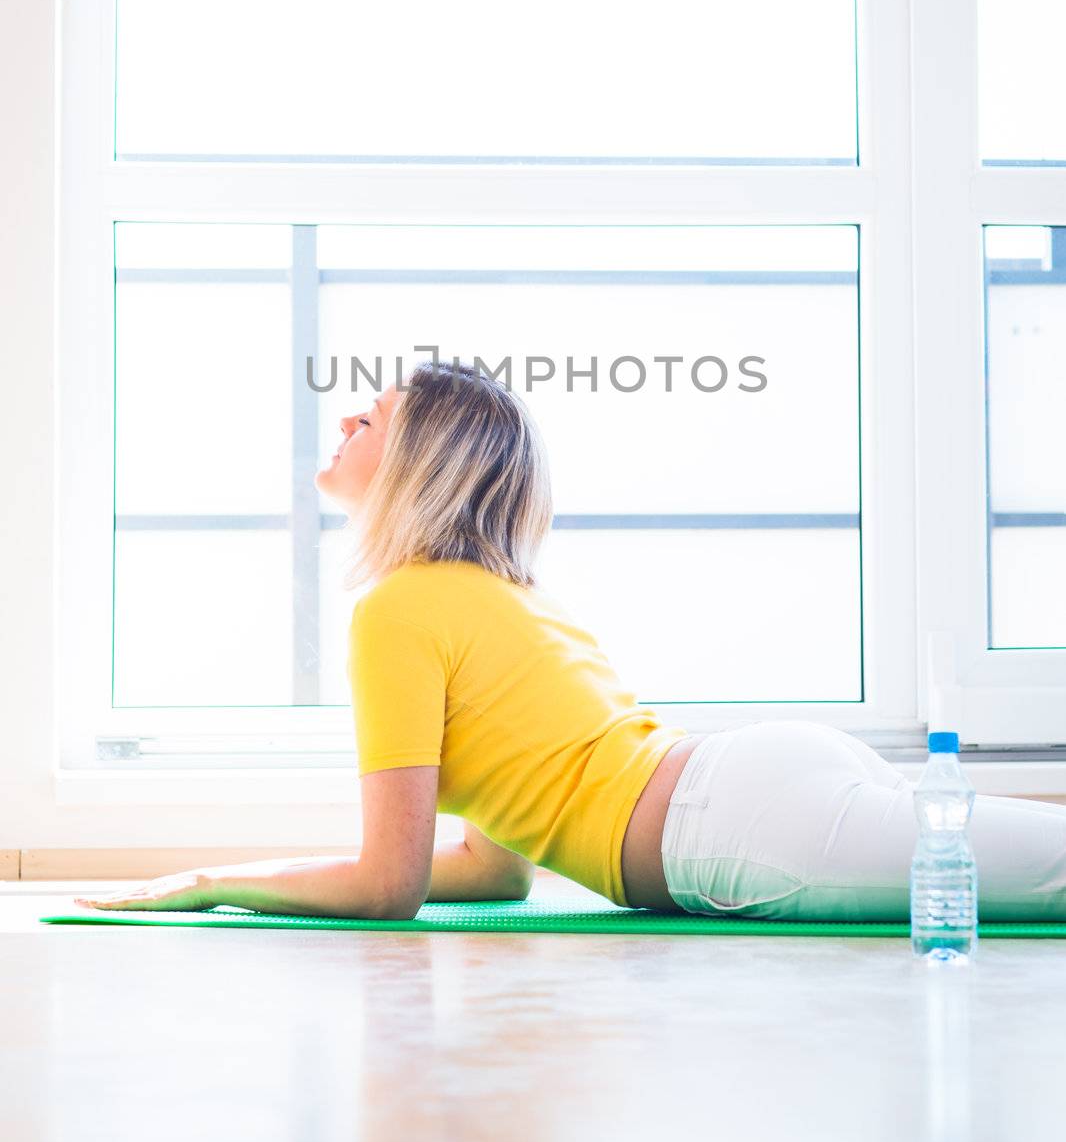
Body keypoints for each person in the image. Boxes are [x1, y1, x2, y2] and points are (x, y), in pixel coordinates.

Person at [75, 358, 1066, 920]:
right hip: (743, 790)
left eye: (371, 413)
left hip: (728, 825)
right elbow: (496, 867)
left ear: (416, 458)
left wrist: (214, 884)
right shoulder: (496, 596)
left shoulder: (399, 611)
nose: (343, 415)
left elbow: (389, 885)